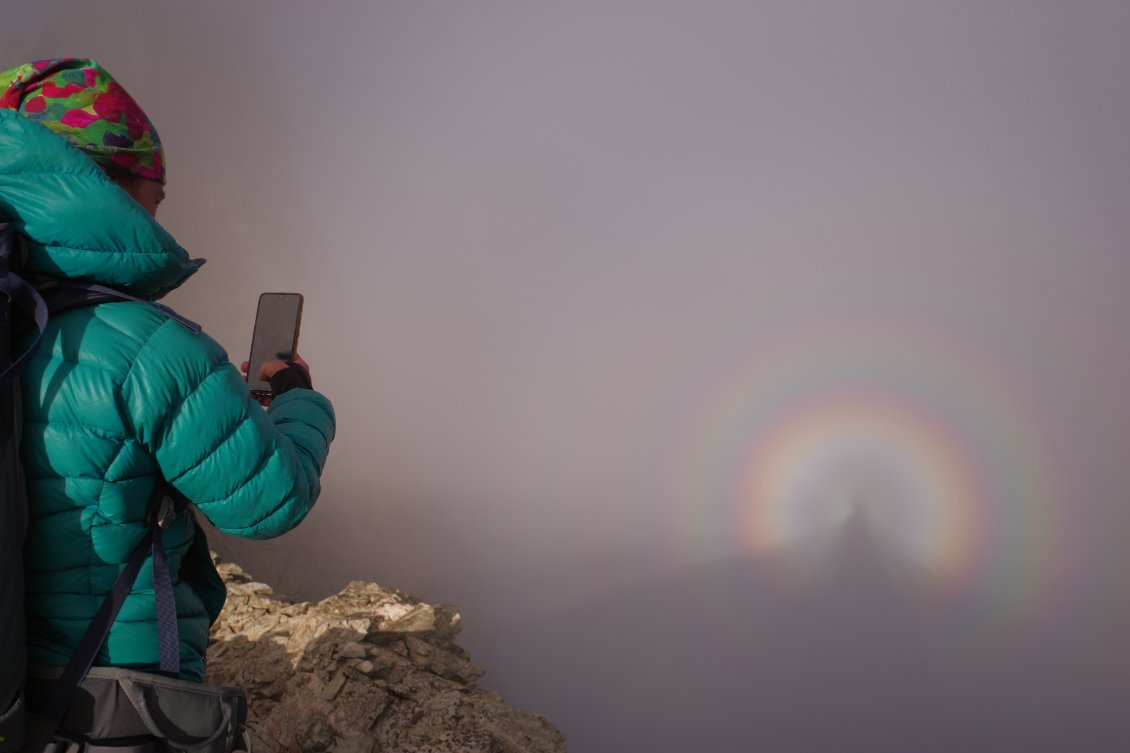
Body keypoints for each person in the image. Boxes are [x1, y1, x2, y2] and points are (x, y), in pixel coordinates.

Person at [0, 57, 335, 684]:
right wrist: (298, 399)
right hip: (102, 687)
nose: (158, 218)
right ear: (108, 185)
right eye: (155, 198)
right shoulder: (152, 348)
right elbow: (270, 502)